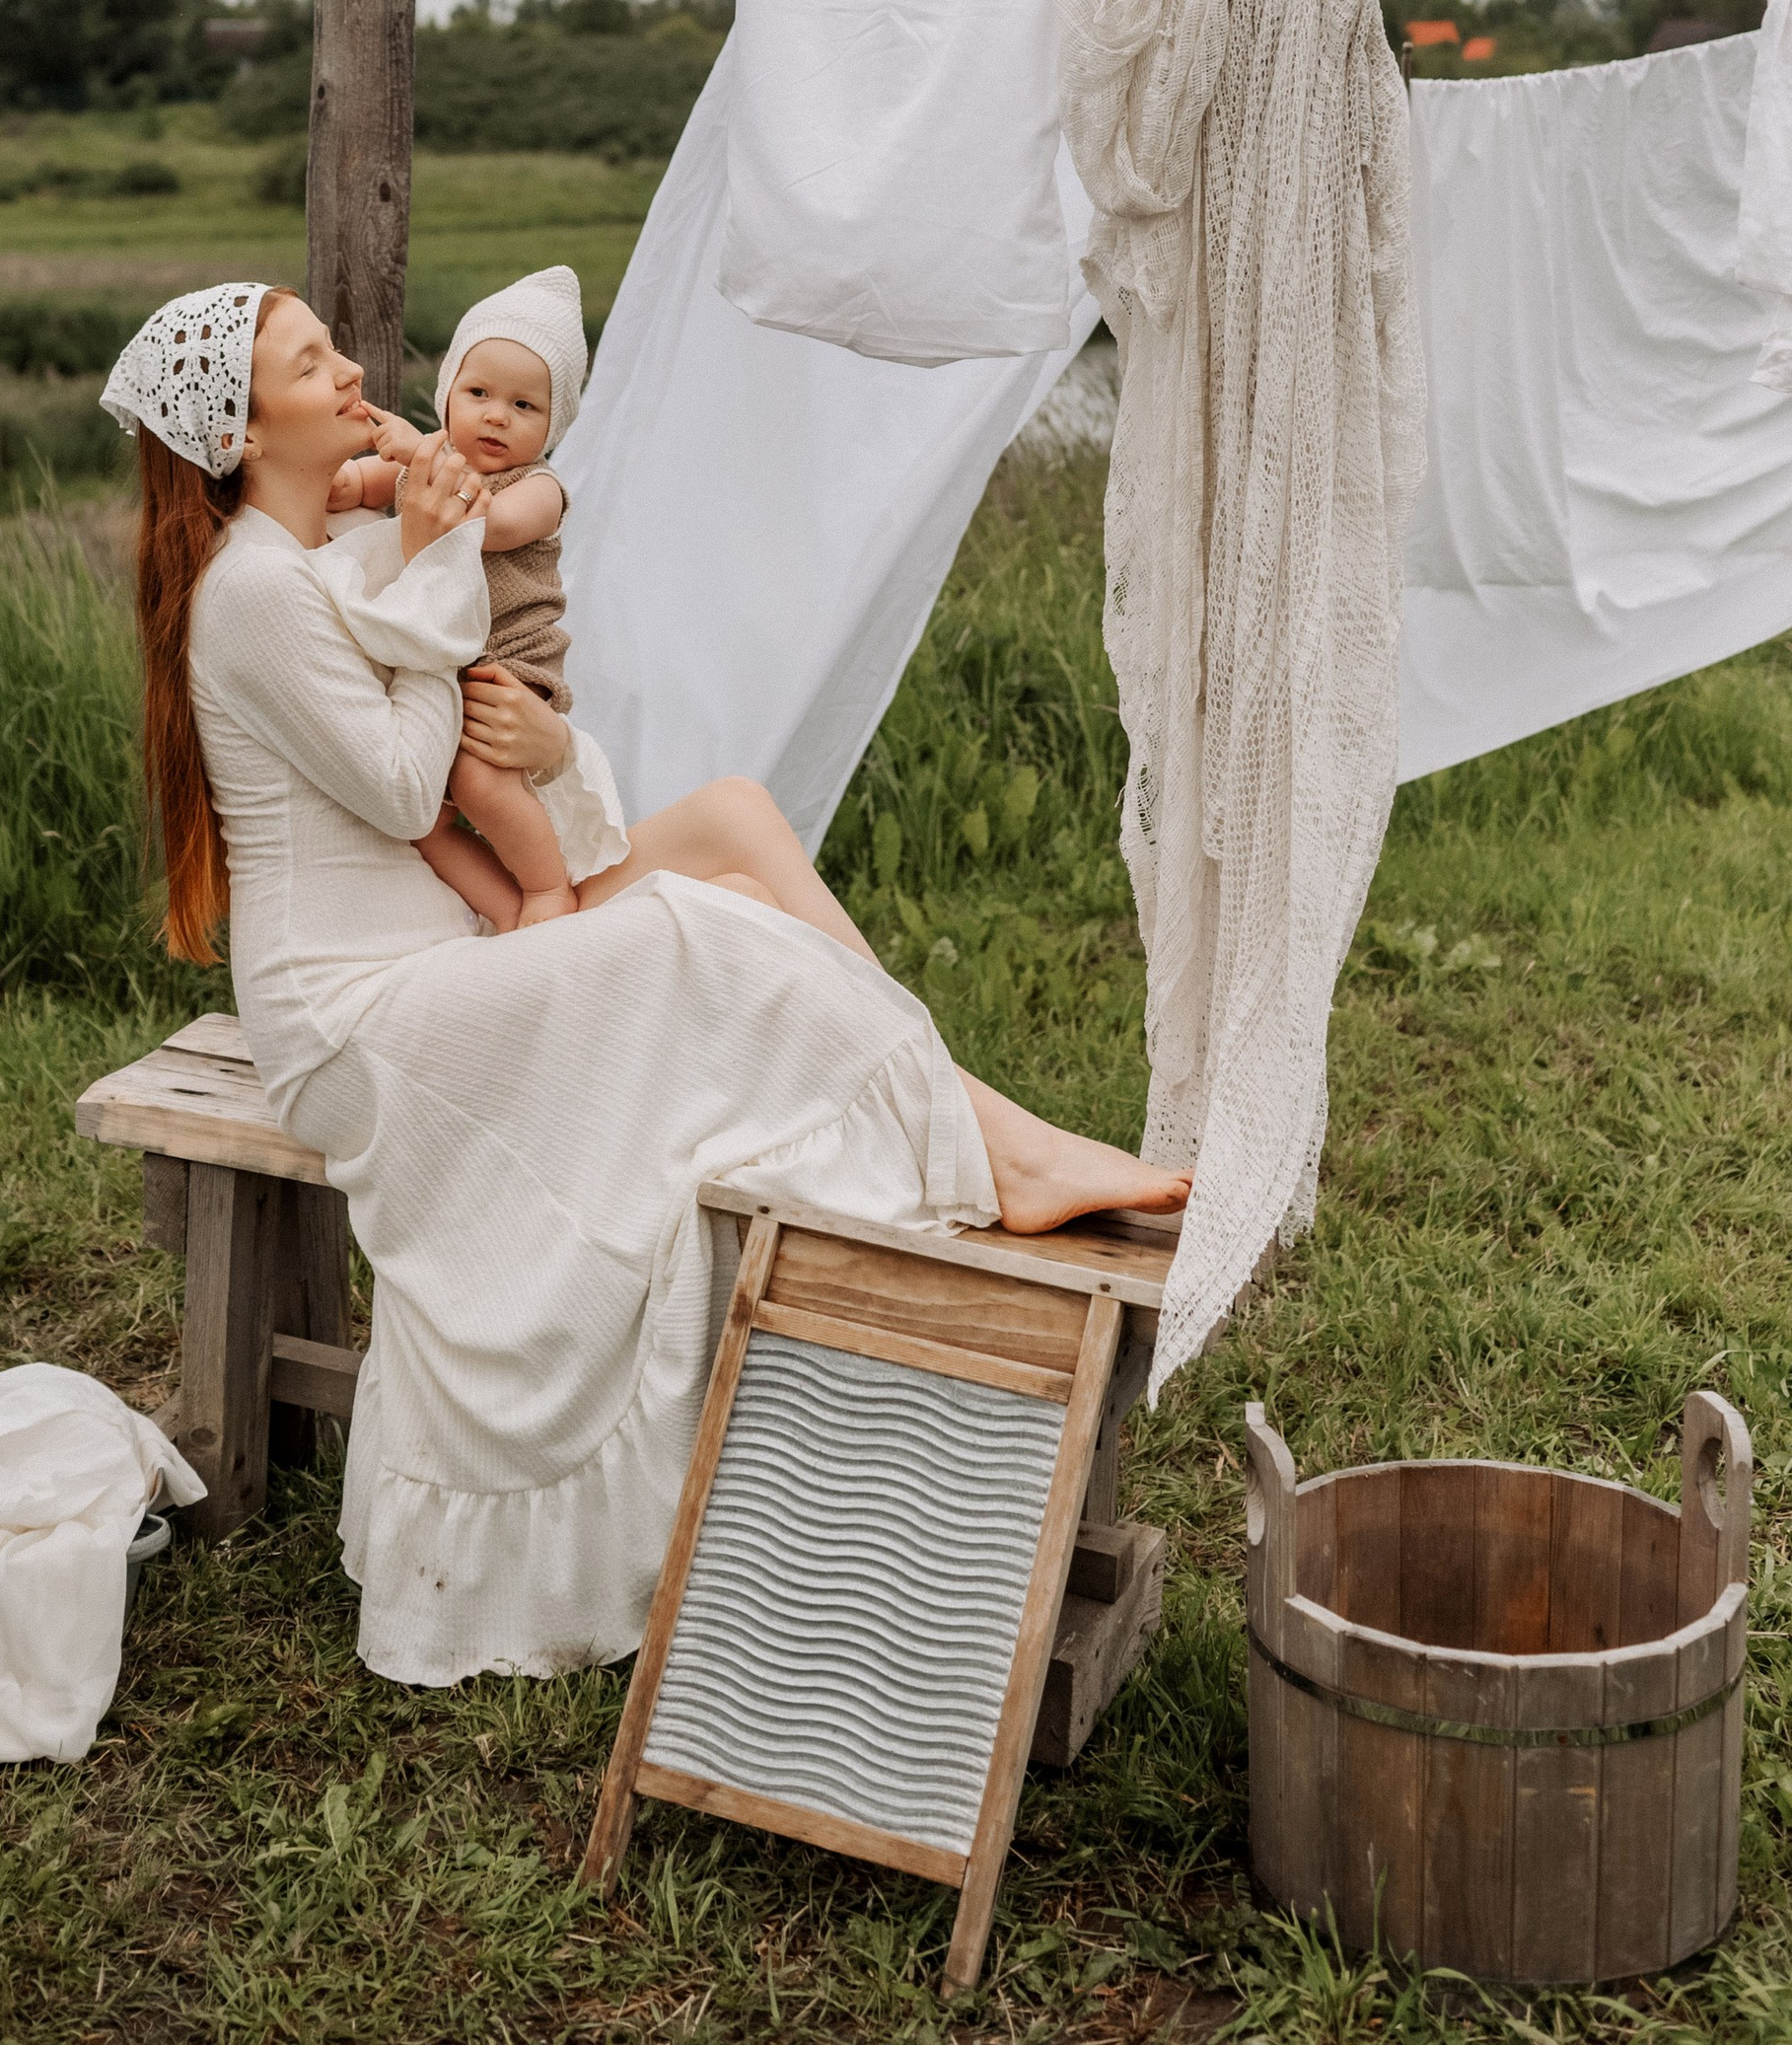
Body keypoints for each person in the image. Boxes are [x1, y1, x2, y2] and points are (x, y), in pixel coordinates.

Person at [102, 278, 1187, 1687]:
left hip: (449, 944)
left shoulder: (326, 532)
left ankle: (963, 1118)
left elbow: (482, 715)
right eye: (314, 363)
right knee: (704, 925)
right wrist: (439, 569)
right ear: (246, 433)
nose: (355, 367)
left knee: (731, 822)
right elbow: (397, 771)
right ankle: (994, 1149)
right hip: (362, 1022)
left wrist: (544, 746)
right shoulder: (252, 589)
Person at [329, 266, 599, 932]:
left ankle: (546, 890)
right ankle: (504, 911)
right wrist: (336, 483)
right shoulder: (426, 462)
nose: (497, 415)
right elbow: (364, 484)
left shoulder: (537, 488)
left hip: (511, 664)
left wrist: (418, 454)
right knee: (426, 816)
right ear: (448, 392)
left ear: (552, 425)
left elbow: (488, 525)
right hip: (444, 670)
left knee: (481, 783)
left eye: (525, 406)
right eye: (478, 392)